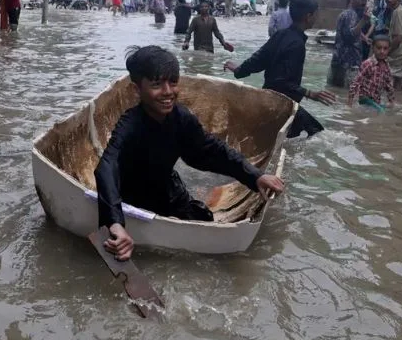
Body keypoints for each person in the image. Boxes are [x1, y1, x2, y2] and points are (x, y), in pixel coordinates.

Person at [95, 45, 285, 261]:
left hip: (167, 189)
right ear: (136, 89)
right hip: (131, 197)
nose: (168, 92)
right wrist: (116, 223)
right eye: (157, 85)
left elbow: (212, 150)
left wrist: (255, 176)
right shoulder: (130, 124)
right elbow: (106, 167)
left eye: (173, 82)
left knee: (205, 222)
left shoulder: (181, 118)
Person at [223, 0, 337, 139]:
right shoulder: (297, 44)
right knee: (316, 133)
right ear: (308, 17)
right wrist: (310, 93)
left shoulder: (280, 35)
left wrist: (239, 70)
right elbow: (282, 82)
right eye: (316, 14)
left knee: (290, 136)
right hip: (281, 103)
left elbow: (258, 60)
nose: (317, 17)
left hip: (268, 99)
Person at [329, 0, 372, 87]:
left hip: (340, 61)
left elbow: (350, 31)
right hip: (348, 64)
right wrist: (363, 21)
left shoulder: (351, 14)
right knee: (347, 92)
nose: (363, 2)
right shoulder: (350, 14)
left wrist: (364, 38)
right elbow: (349, 36)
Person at [348, 35, 395, 112]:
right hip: (365, 99)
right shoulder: (368, 64)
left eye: (385, 49)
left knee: (386, 109)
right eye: (379, 48)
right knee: (381, 112)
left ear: (389, 49)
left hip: (376, 100)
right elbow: (356, 82)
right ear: (373, 48)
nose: (382, 51)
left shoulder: (386, 66)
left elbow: (389, 86)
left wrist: (391, 101)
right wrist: (349, 103)